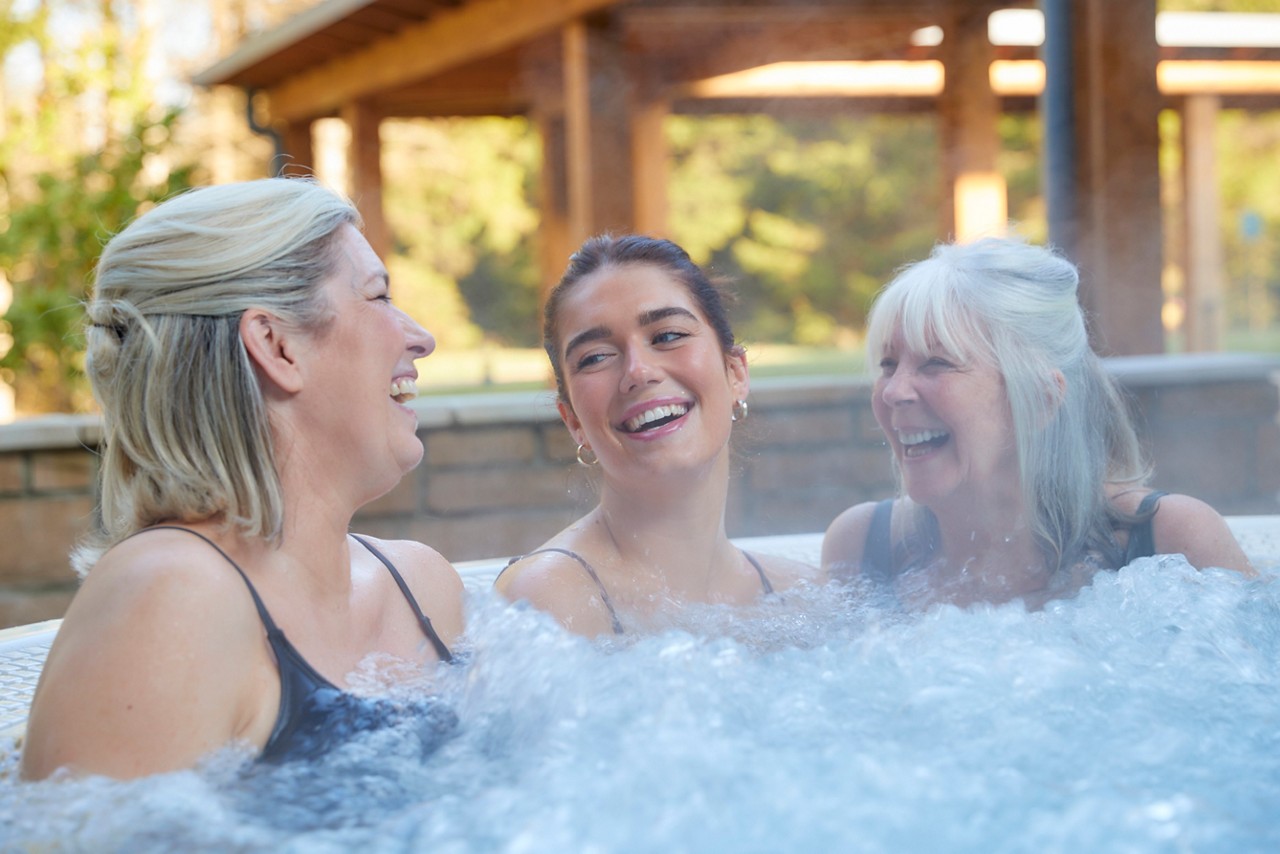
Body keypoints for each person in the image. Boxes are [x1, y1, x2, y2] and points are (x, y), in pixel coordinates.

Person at [21, 178, 465, 780]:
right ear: (276, 345)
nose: (421, 336)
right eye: (379, 296)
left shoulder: (420, 588)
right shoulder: (168, 599)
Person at [822, 236, 1253, 610]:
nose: (894, 391)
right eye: (888, 364)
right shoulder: (863, 547)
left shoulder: (1168, 542)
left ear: (1041, 399)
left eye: (936, 362)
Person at [494, 235, 813, 637]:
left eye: (667, 336)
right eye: (596, 357)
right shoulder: (548, 604)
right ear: (573, 420)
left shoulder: (800, 594)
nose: (638, 372)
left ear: (735, 374)